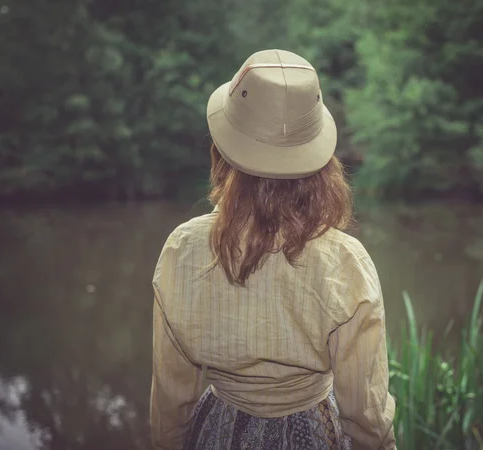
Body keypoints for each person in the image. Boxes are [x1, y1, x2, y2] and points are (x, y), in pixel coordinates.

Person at [150, 49, 396, 450]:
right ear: (320, 163)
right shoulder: (344, 261)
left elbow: (171, 393)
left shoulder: (183, 249)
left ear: (222, 151)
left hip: (217, 433)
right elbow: (364, 409)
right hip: (314, 435)